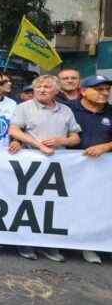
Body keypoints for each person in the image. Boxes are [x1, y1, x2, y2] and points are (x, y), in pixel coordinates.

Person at [8, 74, 81, 262]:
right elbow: (14, 130)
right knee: (28, 204)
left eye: (47, 87)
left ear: (57, 91)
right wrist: (39, 145)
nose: (41, 90)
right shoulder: (24, 107)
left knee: (52, 205)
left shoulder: (66, 111)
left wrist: (60, 141)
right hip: (31, 163)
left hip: (58, 165)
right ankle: (25, 243)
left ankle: (47, 244)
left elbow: (75, 137)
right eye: (38, 87)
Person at [66, 75, 112, 264]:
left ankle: (89, 245)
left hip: (99, 172)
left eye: (107, 89)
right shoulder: (68, 110)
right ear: (82, 92)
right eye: (99, 89)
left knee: (93, 207)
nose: (105, 93)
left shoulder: (111, 112)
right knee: (67, 205)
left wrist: (105, 147)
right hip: (68, 169)